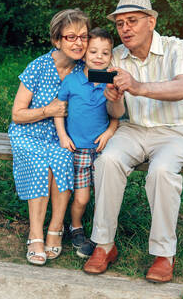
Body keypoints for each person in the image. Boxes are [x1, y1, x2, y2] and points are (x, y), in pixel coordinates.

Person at [81, 0, 183, 284]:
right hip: (133, 129)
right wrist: (114, 96)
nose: (125, 29)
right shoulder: (116, 55)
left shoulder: (175, 47)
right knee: (107, 161)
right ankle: (105, 245)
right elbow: (116, 111)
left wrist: (138, 86)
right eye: (120, 24)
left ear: (151, 21)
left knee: (161, 171)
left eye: (132, 21)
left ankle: (163, 254)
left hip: (173, 132)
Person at [8, 9, 91, 266]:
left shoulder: (87, 69)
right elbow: (17, 115)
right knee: (38, 163)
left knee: (63, 157)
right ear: (57, 40)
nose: (79, 43)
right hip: (28, 133)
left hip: (63, 136)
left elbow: (115, 82)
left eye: (84, 36)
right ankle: (35, 234)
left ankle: (55, 229)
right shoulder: (38, 67)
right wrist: (49, 110)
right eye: (71, 37)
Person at [53, 27, 118, 252]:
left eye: (105, 53)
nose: (99, 57)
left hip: (102, 149)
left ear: (111, 56)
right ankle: (76, 227)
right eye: (93, 52)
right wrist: (62, 135)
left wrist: (110, 132)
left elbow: (116, 115)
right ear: (84, 54)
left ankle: (102, 234)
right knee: (81, 198)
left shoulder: (111, 80)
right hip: (79, 149)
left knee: (103, 196)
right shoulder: (72, 81)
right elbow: (59, 110)